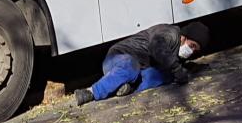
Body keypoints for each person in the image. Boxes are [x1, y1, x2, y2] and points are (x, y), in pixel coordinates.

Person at [74, 21, 210, 105]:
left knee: (165, 75)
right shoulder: (170, 34)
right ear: (184, 37)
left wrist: (185, 70)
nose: (191, 51)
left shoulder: (177, 49)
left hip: (138, 69)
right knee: (130, 66)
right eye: (191, 45)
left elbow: (168, 65)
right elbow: (157, 46)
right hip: (117, 59)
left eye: (195, 50)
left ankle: (127, 88)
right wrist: (176, 68)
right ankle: (91, 92)